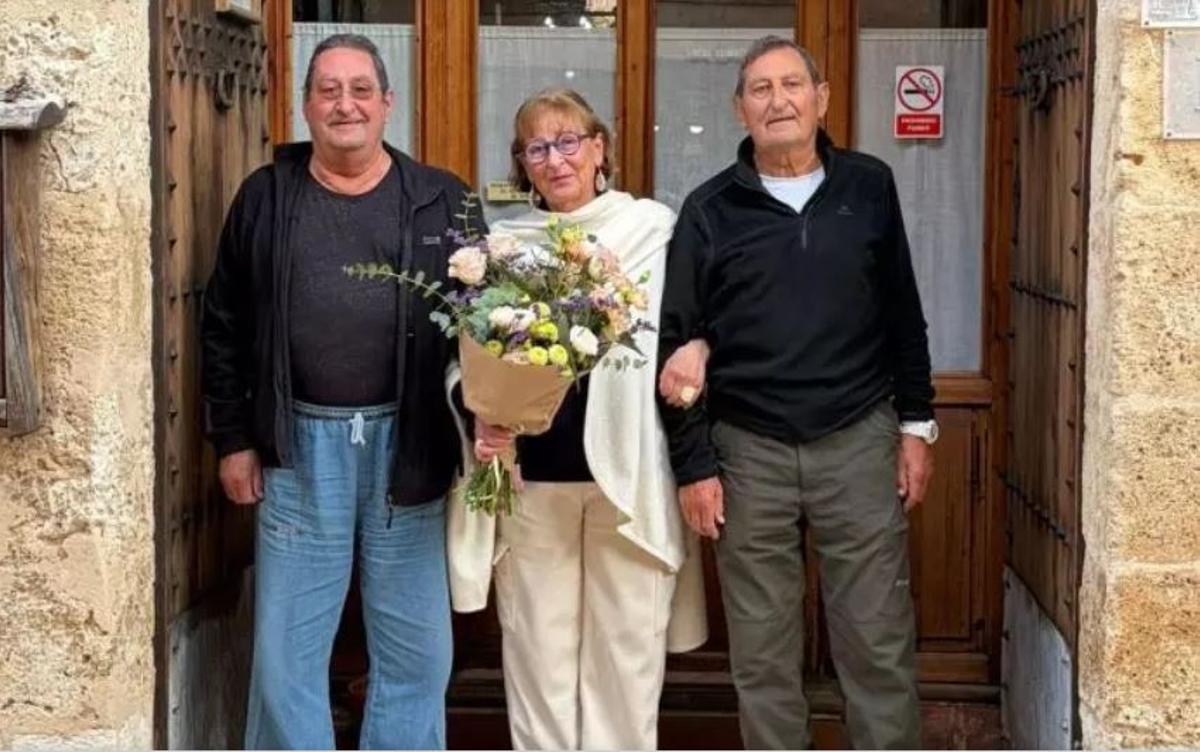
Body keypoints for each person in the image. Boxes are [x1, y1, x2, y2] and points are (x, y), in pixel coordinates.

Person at [656, 36, 939, 750]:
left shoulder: (868, 187)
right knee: (763, 653)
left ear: (822, 98)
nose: (777, 100)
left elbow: (903, 311)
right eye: (760, 88)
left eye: (791, 85)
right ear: (739, 108)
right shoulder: (709, 210)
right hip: (748, 451)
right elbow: (676, 346)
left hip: (858, 440)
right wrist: (694, 466)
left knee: (877, 641)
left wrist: (917, 425)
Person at [201, 33, 480, 750]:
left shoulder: (444, 197)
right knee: (286, 654)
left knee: (418, 653)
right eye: (328, 90)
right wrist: (233, 439)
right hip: (296, 449)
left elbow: (486, 322)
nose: (344, 104)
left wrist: (493, 417)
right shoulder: (265, 197)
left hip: (410, 446)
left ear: (388, 103)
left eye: (360, 89)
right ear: (305, 106)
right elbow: (222, 323)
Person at [455, 88, 708, 751]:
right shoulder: (504, 245)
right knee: (539, 660)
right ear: (523, 164)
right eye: (537, 147)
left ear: (599, 148)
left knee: (625, 664)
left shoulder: (654, 230)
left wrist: (701, 349)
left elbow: (692, 326)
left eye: (570, 141)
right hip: (534, 482)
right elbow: (462, 357)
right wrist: (478, 413)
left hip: (627, 478)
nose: (555, 158)